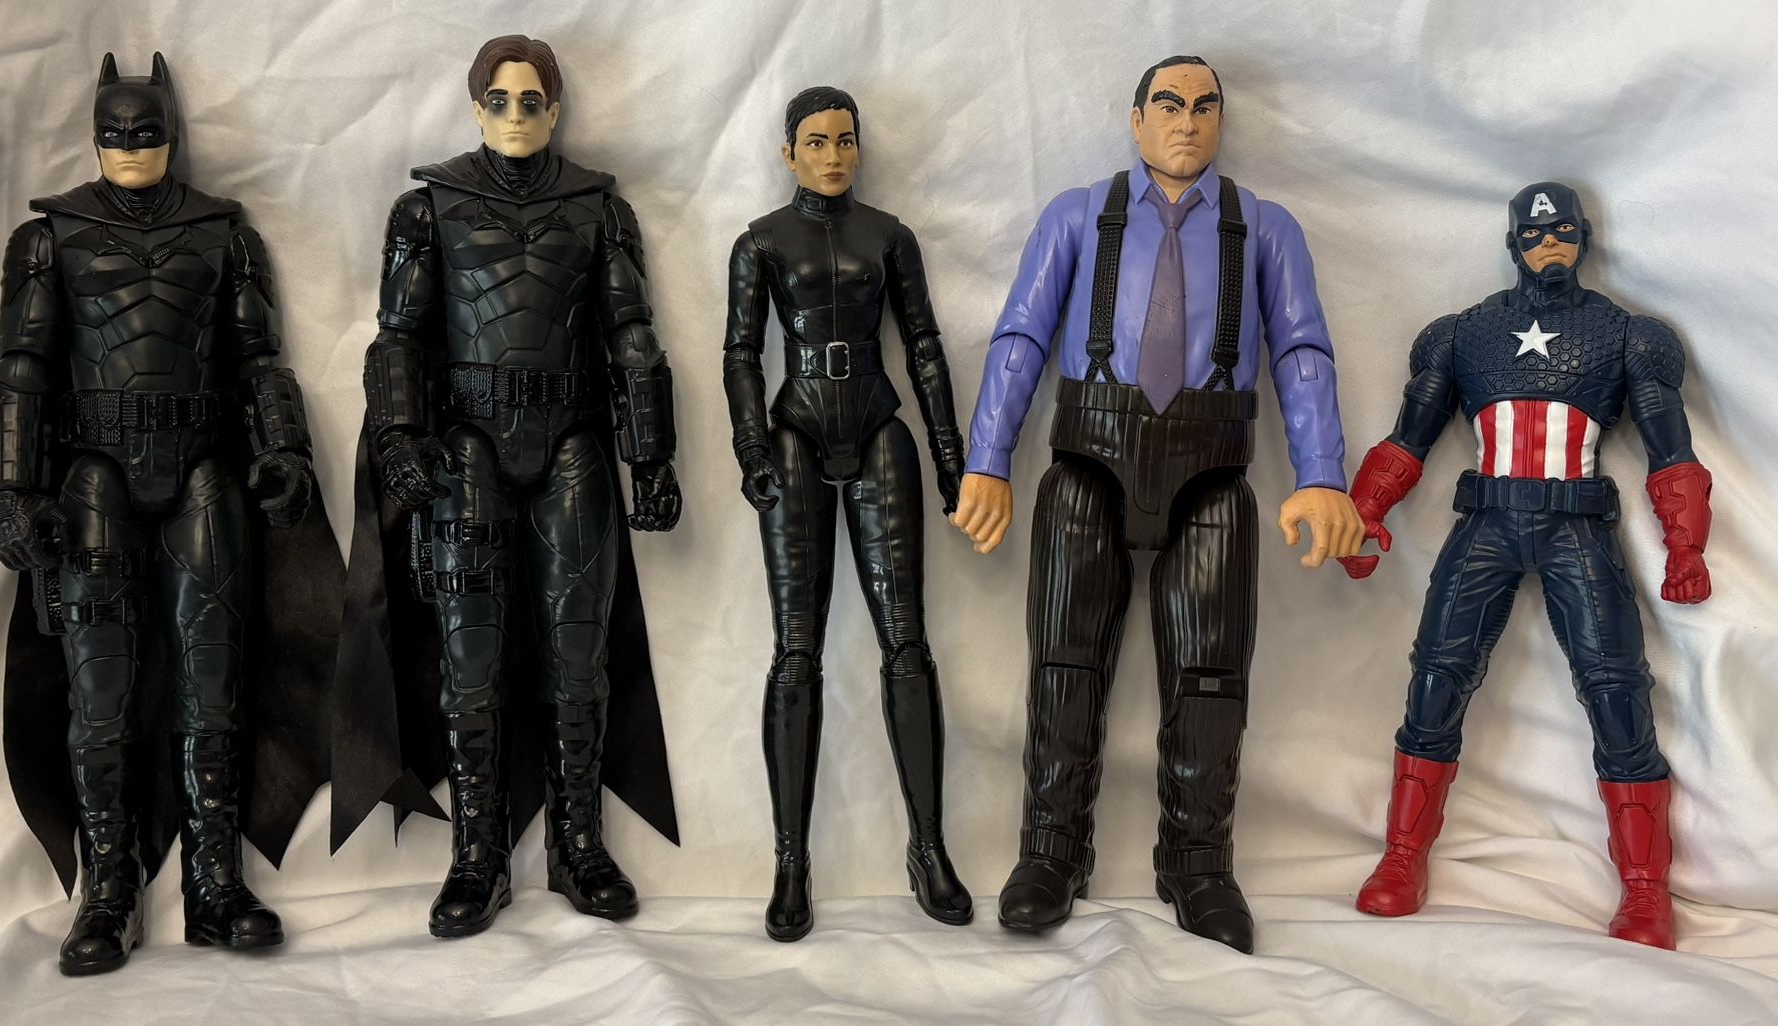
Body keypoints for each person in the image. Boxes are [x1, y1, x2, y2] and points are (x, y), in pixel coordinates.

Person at [953, 55, 1362, 953]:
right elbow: (1021, 335)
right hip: (1086, 458)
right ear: (1136, 118)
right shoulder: (1074, 216)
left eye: (1205, 106)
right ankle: (1051, 851)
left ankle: (1199, 861)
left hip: (1213, 464)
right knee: (1063, 663)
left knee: (1212, 676)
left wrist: (1321, 473)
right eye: (1168, 105)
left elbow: (1301, 349)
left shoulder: (1266, 227)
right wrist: (988, 460)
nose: (1187, 121)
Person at [0, 52, 343, 975]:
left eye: (146, 131)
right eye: (115, 132)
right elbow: (20, 371)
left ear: (172, 133)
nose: (131, 146)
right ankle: (108, 891)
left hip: (201, 474)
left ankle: (215, 884)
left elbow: (259, 359)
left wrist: (285, 450)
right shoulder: (49, 238)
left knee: (213, 684)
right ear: (94, 135)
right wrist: (11, 491)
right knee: (99, 693)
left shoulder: (224, 234)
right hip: (94, 480)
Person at [342, 34, 683, 939]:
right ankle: (478, 855)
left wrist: (651, 454)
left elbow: (631, 335)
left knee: (579, 656)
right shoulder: (428, 208)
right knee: (470, 660)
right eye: (500, 100)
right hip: (470, 448)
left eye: (533, 100)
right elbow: (399, 337)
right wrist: (399, 436)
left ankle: (579, 843)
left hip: (572, 437)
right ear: (476, 107)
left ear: (556, 108)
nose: (517, 115)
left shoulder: (600, 209)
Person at [1341, 181, 1712, 950]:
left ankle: (1646, 889)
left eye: (1564, 231)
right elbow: (1409, 437)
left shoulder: (1625, 335)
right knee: (1436, 680)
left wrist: (1686, 545)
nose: (1551, 244)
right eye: (1537, 234)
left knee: (1617, 692)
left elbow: (1671, 450)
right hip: (1488, 523)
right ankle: (1402, 857)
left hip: (1579, 526)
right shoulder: (1463, 334)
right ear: (1514, 242)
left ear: (1585, 237)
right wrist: (1365, 512)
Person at [723, 86, 972, 941]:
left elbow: (925, 344)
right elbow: (740, 353)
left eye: (844, 140)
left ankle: (928, 848)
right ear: (788, 153)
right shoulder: (760, 241)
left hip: (877, 427)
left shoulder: (889, 236)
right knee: (796, 650)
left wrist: (950, 455)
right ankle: (791, 863)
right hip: (794, 431)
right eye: (816, 142)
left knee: (907, 642)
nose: (832, 156)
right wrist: (750, 447)